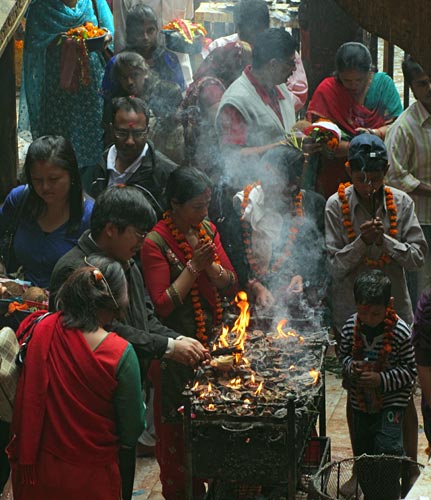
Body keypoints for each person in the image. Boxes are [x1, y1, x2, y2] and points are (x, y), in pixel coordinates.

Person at [49, 185, 208, 499]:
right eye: (137, 233)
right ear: (111, 229)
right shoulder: (74, 270)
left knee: (120, 471)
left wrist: (177, 339)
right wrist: (167, 348)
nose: (142, 242)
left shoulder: (128, 262)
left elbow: (145, 319)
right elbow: (106, 333)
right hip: (88, 401)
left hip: (124, 387)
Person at [325, 133, 426, 481]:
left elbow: (416, 257)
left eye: (376, 177)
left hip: (395, 313)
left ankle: (408, 468)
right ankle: (362, 468)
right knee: (357, 392)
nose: (368, 185)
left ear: (386, 172)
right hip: (352, 315)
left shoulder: (402, 203)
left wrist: (385, 240)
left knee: (402, 391)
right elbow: (335, 267)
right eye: (361, 177)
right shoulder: (334, 206)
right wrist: (360, 242)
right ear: (349, 170)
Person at [7, 256, 146, 500]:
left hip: (40, 472)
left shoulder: (42, 329)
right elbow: (131, 430)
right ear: (116, 299)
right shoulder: (120, 354)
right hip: (93, 479)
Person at [141, 167, 237, 499]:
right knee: (177, 437)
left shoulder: (207, 229)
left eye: (206, 205)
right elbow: (163, 304)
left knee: (217, 429)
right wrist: (194, 266)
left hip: (211, 349)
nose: (205, 213)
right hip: (174, 357)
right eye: (197, 207)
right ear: (175, 205)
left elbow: (229, 283)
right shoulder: (154, 242)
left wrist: (209, 266)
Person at [338, 270, 416, 500]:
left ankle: (390, 492)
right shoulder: (351, 327)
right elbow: (342, 358)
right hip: (360, 404)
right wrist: (351, 368)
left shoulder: (400, 332)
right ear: (356, 305)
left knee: (387, 450)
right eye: (363, 312)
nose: (369, 318)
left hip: (390, 405)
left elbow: (410, 372)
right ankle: (370, 492)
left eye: (375, 313)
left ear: (389, 305)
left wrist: (381, 380)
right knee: (364, 450)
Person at [20, 0, 114, 189]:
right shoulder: (42, 7)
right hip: (58, 92)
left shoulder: (93, 2)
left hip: (91, 87)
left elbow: (108, 31)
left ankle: (90, 185)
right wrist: (68, 41)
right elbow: (33, 42)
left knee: (93, 133)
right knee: (62, 141)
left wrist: (102, 38)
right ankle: (60, 186)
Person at [229, 145, 327, 314]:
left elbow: (319, 254)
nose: (266, 186)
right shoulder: (245, 205)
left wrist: (302, 276)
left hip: (295, 302)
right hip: (249, 300)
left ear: (293, 184)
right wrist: (256, 286)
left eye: (274, 181)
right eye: (263, 178)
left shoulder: (311, 204)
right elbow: (234, 251)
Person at [306, 42, 402, 198]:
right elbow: (318, 136)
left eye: (359, 80)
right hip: (335, 174)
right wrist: (356, 147)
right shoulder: (328, 89)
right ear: (338, 75)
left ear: (369, 73)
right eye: (347, 81)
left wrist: (375, 134)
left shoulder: (383, 85)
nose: (353, 85)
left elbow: (397, 127)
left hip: (375, 171)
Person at [0, 135, 94, 288]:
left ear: (71, 176)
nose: (45, 188)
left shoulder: (90, 216)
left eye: (54, 179)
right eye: (37, 180)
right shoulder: (19, 200)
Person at [215, 28, 298, 187]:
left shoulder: (281, 88)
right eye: (291, 63)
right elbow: (233, 158)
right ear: (273, 64)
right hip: (251, 194)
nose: (294, 69)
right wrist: (283, 146)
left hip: (284, 189)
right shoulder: (236, 102)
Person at [386, 56, 431, 307]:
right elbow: (395, 177)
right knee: (423, 291)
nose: (430, 88)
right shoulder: (404, 127)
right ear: (412, 87)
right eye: (423, 83)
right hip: (422, 222)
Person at [208, 0, 308, 113]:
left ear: (266, 27)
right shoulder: (220, 48)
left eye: (256, 32)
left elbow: (298, 93)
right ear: (237, 28)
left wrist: (265, 106)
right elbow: (208, 87)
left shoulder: (284, 52)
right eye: (246, 33)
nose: (252, 40)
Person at [92, 96, 177, 218]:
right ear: (111, 130)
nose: (130, 141)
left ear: (148, 131)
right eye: (122, 133)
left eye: (138, 134)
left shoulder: (165, 173)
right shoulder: (99, 163)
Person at [180, 41, 252, 175]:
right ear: (235, 63)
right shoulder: (211, 87)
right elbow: (224, 124)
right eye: (245, 65)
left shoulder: (214, 81)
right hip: (206, 159)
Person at [101, 52, 184, 162]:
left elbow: (174, 132)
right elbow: (109, 141)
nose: (129, 82)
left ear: (145, 73)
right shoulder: (115, 102)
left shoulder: (167, 91)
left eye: (134, 75)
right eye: (124, 77)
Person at [104, 4, 185, 92]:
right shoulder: (116, 63)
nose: (145, 37)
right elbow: (108, 100)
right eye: (139, 32)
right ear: (129, 33)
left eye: (150, 30)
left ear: (157, 30)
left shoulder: (170, 59)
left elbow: (179, 95)